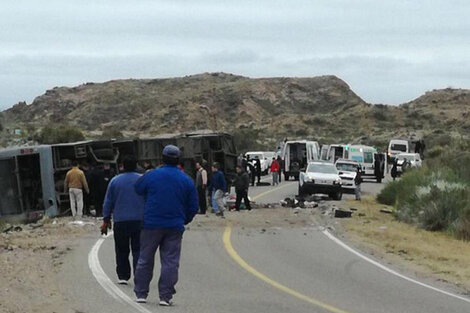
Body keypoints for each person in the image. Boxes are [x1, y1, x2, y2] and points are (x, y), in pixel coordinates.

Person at [133, 145, 198, 306]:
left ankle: (141, 292)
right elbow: (193, 206)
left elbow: (138, 188)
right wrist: (184, 219)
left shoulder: (152, 175)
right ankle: (165, 296)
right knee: (170, 261)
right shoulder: (186, 180)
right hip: (175, 226)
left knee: (145, 258)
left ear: (162, 158)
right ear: (178, 160)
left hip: (151, 224)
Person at [101, 156, 144, 285]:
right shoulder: (142, 180)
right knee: (138, 249)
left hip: (120, 221)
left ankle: (123, 275)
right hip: (140, 220)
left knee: (121, 249)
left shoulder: (115, 181)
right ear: (136, 165)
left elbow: (108, 202)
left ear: (122, 166)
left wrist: (106, 219)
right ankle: (139, 274)